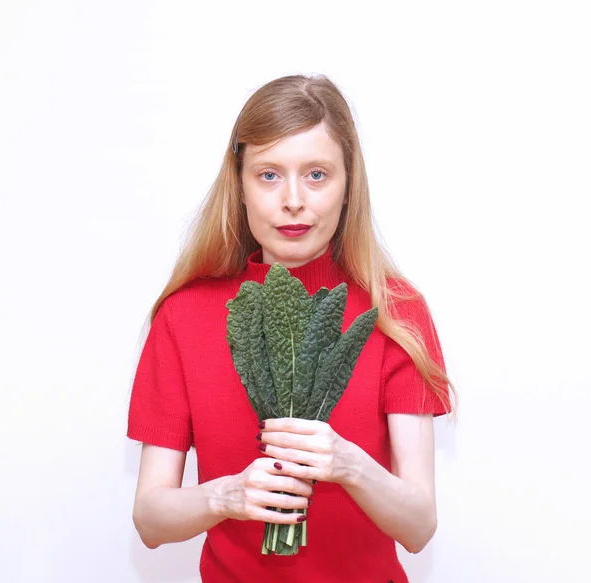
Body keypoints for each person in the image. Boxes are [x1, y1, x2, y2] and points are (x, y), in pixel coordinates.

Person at [126, 73, 457, 583]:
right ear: (239, 186)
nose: (294, 200)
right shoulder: (183, 317)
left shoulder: (397, 312)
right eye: (269, 175)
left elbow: (418, 527)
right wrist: (227, 495)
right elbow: (150, 519)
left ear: (349, 187)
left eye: (317, 174)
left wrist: (348, 463)